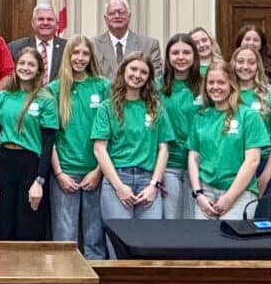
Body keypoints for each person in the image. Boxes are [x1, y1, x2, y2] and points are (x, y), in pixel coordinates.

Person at [0, 47, 59, 241]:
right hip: (5, 162)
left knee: (28, 225)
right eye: (22, 63)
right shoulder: (2, 97)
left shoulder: (46, 99)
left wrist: (39, 181)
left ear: (39, 70)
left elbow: (48, 145)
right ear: (15, 66)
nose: (26, 68)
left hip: (31, 164)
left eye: (31, 64)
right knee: (5, 224)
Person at [49, 35, 110, 258]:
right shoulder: (55, 89)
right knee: (64, 238)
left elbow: (112, 134)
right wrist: (59, 173)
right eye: (76, 53)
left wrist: (98, 171)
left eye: (85, 53)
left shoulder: (103, 86)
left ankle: (95, 279)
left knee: (95, 236)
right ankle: (64, 279)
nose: (80, 58)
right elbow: (49, 139)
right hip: (65, 172)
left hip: (96, 171)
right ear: (68, 56)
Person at [93, 52, 173, 222]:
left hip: (148, 181)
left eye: (143, 72)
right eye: (133, 69)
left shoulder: (156, 108)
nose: (137, 75)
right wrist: (119, 187)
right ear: (123, 70)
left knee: (149, 237)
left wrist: (154, 185)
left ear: (149, 78)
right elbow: (100, 149)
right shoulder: (106, 107)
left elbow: (164, 149)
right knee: (118, 237)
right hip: (117, 179)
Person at [187, 60, 271, 220]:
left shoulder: (249, 116)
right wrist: (198, 193)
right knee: (203, 236)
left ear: (232, 84)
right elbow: (193, 157)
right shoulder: (200, 117)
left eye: (221, 82)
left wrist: (229, 197)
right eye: (211, 82)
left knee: (229, 235)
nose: (215, 87)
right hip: (206, 192)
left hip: (239, 192)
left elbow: (252, 161)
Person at [231, 46, 271, 218]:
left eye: (251, 62)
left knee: (258, 221)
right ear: (233, 64)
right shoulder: (226, 92)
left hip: (263, 165)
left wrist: (265, 177)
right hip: (230, 165)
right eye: (240, 61)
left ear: (258, 65)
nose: (245, 66)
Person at [158, 33, 203, 220]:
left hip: (200, 165)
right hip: (169, 166)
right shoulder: (156, 86)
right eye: (175, 53)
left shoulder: (206, 85)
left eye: (186, 52)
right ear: (168, 57)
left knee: (194, 223)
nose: (181, 57)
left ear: (194, 56)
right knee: (171, 223)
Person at [92, 0, 162, 80]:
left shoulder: (149, 45)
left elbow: (156, 79)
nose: (117, 16)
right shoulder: (93, 45)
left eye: (121, 12)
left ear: (129, 16)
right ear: (106, 18)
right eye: (112, 13)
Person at [8, 3, 66, 84]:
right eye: (41, 19)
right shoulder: (15, 48)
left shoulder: (67, 47)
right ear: (33, 23)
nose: (45, 23)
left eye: (50, 19)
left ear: (57, 24)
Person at [236, 24, 271, 89]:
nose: (251, 43)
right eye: (247, 39)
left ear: (261, 44)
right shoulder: (233, 64)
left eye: (255, 40)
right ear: (240, 43)